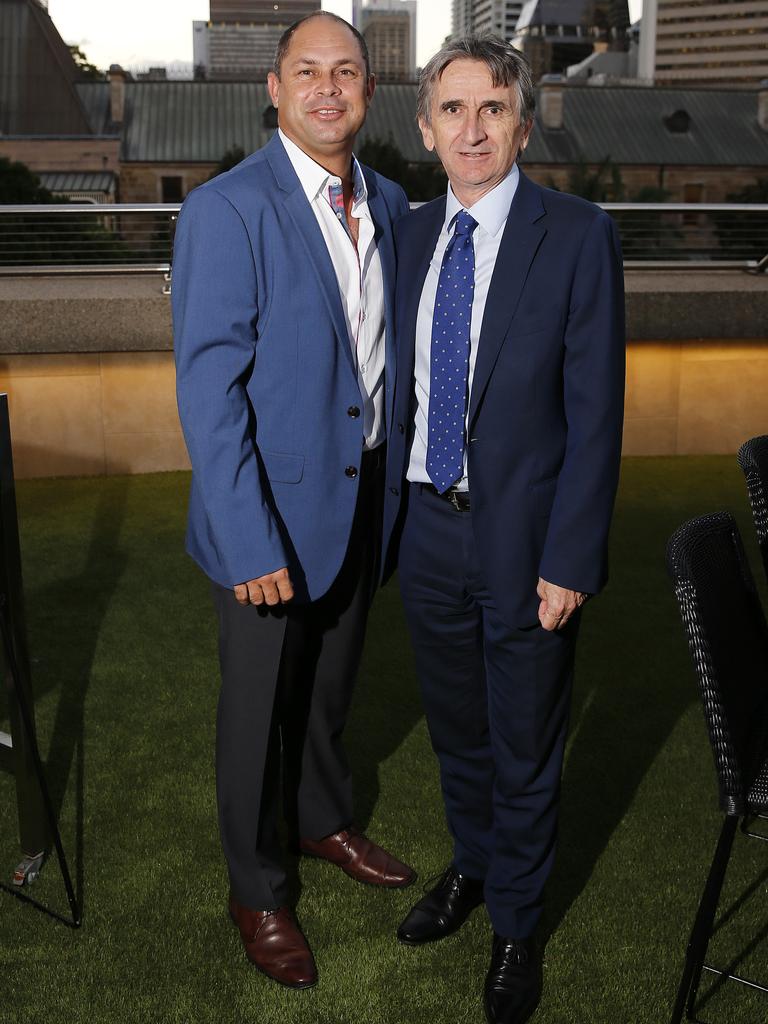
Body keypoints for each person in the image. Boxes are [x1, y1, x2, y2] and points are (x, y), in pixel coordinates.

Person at [382, 36, 625, 1024]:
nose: (472, 128)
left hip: (526, 539)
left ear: (522, 122)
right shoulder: (406, 234)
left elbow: (596, 409)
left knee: (525, 739)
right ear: (426, 127)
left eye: (492, 108)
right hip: (427, 533)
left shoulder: (575, 235)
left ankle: (518, 924)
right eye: (453, 109)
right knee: (460, 732)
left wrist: (572, 554)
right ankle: (474, 868)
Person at [172, 12, 415, 991]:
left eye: (346, 71)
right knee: (257, 710)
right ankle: (256, 886)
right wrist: (245, 540)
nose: (327, 88)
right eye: (306, 71)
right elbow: (209, 392)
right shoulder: (226, 210)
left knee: (329, 688)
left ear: (367, 90)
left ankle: (322, 819)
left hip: (362, 495)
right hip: (264, 518)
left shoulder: (393, 200)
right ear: (273, 89)